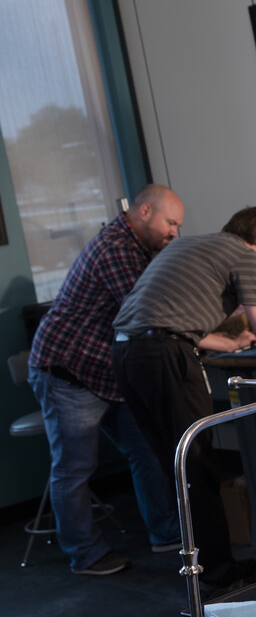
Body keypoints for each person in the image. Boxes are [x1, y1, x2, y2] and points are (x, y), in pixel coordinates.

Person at [111, 206, 256, 595]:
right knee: (197, 465)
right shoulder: (245, 255)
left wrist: (227, 342)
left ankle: (207, 567)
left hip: (127, 355)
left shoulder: (187, 246)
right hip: (165, 357)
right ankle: (219, 579)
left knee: (177, 465)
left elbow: (163, 319)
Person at [28, 184, 185, 576]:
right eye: (170, 223)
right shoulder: (117, 248)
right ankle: (85, 554)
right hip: (67, 371)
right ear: (145, 211)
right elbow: (145, 310)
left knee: (146, 448)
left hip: (105, 373)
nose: (174, 234)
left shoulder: (136, 248)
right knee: (74, 468)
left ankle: (165, 532)